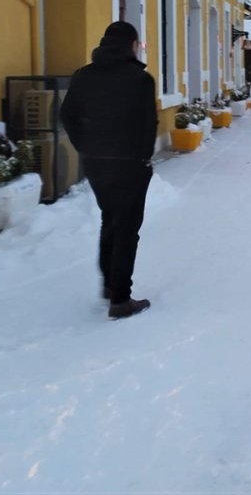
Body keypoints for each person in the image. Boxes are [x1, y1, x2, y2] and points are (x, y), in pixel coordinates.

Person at [60, 21, 157, 320]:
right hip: (129, 164)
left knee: (110, 219)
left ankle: (109, 284)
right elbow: (148, 124)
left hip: (96, 162)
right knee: (127, 228)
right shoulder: (140, 80)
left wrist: (85, 146)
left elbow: (67, 115)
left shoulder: (83, 75)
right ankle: (120, 299)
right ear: (132, 45)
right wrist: (143, 158)